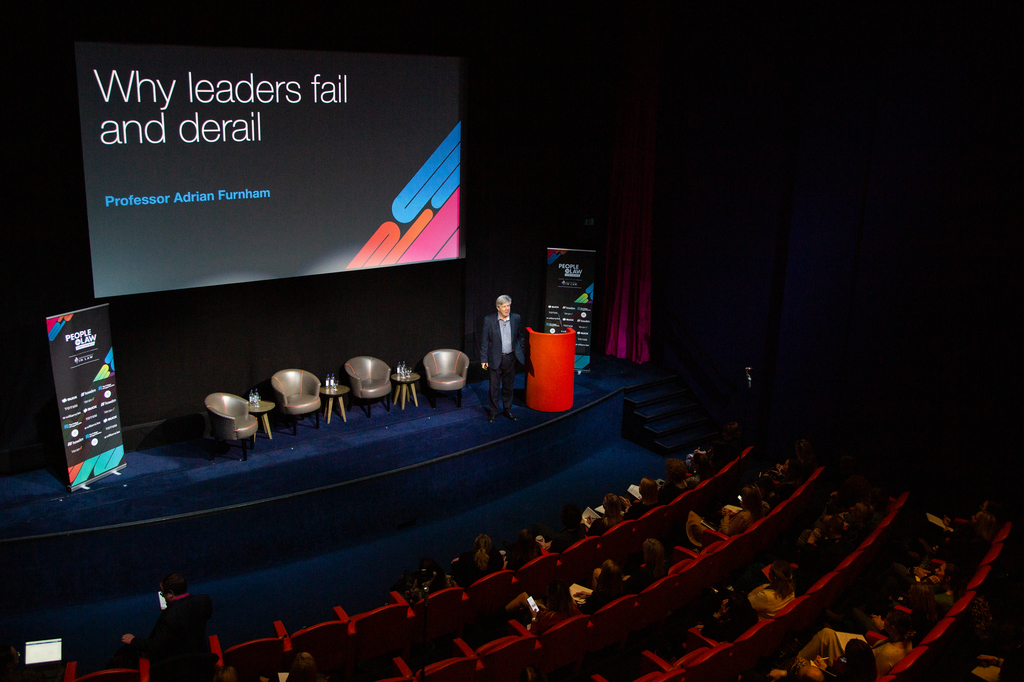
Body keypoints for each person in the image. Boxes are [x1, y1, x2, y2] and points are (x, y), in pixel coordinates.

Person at [120, 573, 213, 665]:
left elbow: (155, 645)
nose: (162, 596)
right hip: (203, 661)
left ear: (171, 594)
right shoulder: (203, 600)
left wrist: (133, 640)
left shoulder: (168, 616)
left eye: (162, 593)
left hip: (179, 666)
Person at [480, 294, 525, 423]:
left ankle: (507, 410)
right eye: (504, 306)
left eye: (508, 306)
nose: (507, 309)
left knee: (508, 387)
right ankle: (494, 412)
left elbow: (520, 336)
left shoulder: (516, 318)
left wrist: (519, 349)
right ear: (498, 307)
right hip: (495, 358)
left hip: (510, 358)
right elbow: (484, 341)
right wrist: (483, 359)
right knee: (494, 388)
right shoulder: (489, 320)